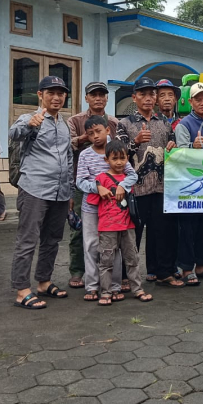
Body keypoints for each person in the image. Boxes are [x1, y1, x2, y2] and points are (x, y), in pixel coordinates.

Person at [8, 75, 74, 309]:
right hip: (34, 188)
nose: (56, 97)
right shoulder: (30, 118)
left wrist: (70, 189)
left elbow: (68, 157)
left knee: (52, 239)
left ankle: (44, 282)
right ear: (40, 95)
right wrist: (29, 124)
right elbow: (13, 133)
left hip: (60, 191)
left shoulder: (64, 124)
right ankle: (21, 290)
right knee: (27, 240)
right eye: (51, 93)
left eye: (60, 93)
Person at [115, 77, 182, 288]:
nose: (148, 98)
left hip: (161, 187)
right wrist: (135, 142)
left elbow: (173, 146)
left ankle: (163, 273)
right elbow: (118, 155)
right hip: (135, 189)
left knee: (163, 232)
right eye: (142, 94)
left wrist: (173, 146)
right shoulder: (124, 124)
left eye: (151, 94)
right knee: (131, 235)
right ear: (134, 98)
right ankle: (125, 277)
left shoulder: (164, 123)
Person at [66, 82, 118, 289]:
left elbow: (120, 148)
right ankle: (78, 271)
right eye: (93, 95)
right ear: (86, 98)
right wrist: (86, 136)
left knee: (112, 230)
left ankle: (110, 275)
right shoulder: (75, 120)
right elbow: (67, 146)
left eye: (102, 95)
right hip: (83, 184)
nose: (98, 98)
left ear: (107, 98)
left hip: (112, 185)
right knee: (80, 230)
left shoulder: (113, 122)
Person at [76, 116, 127, 302]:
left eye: (98, 131)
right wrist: (97, 187)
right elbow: (80, 181)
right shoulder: (85, 155)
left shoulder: (117, 150)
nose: (95, 136)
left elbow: (131, 174)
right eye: (90, 134)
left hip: (114, 209)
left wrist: (123, 186)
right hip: (91, 207)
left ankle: (114, 286)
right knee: (90, 245)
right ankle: (92, 286)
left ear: (107, 130)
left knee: (114, 247)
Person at [96, 139, 152, 304]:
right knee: (106, 261)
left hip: (128, 226)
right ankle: (106, 292)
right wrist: (98, 188)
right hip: (107, 227)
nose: (119, 162)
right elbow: (93, 199)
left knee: (132, 259)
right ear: (106, 160)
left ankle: (138, 289)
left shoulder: (129, 179)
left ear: (127, 158)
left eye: (122, 158)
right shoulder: (100, 179)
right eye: (115, 158)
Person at [174, 82, 203, 285]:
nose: (202, 102)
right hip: (190, 186)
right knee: (188, 227)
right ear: (190, 102)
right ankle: (186, 268)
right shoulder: (184, 125)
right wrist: (194, 147)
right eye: (198, 99)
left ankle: (202, 264)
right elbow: (180, 155)